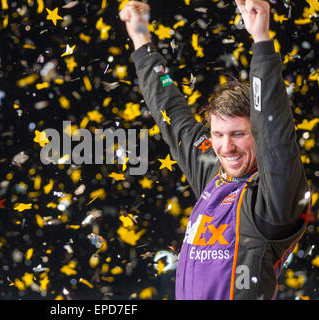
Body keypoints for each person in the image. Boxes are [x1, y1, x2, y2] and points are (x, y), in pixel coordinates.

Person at [120, 0, 310, 299]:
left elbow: (276, 130)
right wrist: (141, 38)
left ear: (258, 135)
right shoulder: (213, 172)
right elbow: (170, 109)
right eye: (217, 134)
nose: (225, 147)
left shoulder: (274, 196)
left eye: (238, 134)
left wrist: (261, 41)